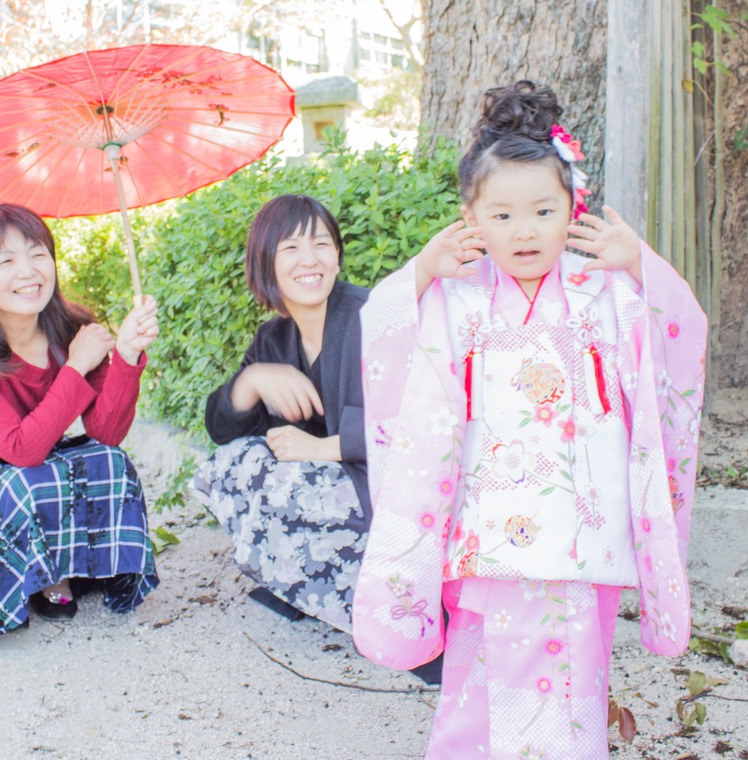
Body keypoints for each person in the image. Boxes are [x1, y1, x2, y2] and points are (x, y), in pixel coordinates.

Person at [351, 81, 708, 758]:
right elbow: (387, 345)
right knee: (479, 684)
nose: (525, 230)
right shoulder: (454, 298)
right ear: (471, 217)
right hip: (488, 529)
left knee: (574, 679)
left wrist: (642, 265)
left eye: (544, 210)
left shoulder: (605, 289)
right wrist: (420, 275)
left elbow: (682, 336)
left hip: (583, 531)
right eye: (504, 214)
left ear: (572, 208)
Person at [0, 203, 161, 651]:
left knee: (109, 461)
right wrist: (78, 367)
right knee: (24, 482)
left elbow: (105, 432)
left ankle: (87, 565)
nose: (28, 271)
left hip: (31, 469)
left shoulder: (72, 326)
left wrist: (126, 356)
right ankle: (40, 574)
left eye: (37, 254)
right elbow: (19, 449)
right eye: (6, 261)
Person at [191, 194, 371, 633]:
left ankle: (357, 595)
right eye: (290, 248)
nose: (309, 259)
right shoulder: (274, 338)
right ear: (265, 264)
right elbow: (222, 429)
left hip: (382, 492)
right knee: (225, 469)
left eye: (321, 244)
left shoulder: (372, 318)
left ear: (337, 257)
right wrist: (250, 382)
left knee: (283, 486)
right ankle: (300, 579)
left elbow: (420, 426)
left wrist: (326, 447)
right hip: (327, 490)